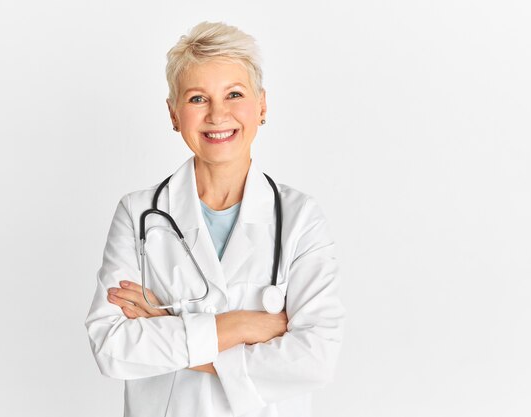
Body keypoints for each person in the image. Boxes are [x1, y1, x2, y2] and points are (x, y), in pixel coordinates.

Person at [85, 21, 345, 417]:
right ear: (174, 114)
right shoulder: (138, 213)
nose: (217, 114)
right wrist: (241, 326)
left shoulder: (300, 217)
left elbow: (315, 359)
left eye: (234, 94)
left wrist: (165, 325)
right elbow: (111, 345)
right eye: (197, 99)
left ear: (262, 105)